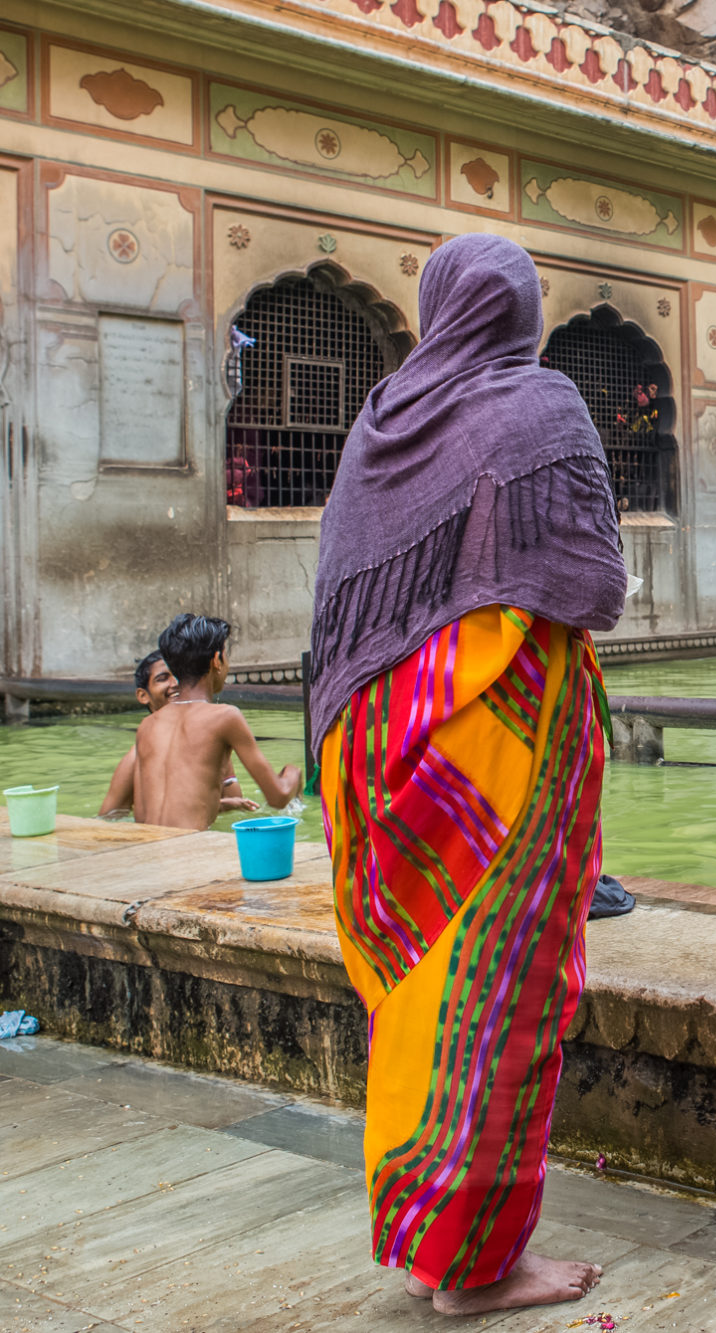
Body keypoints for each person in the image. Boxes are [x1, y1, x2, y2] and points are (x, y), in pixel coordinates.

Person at [308, 233, 627, 1316]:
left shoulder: (383, 416)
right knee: (498, 992)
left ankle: (430, 1229)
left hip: (380, 747)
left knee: (420, 991)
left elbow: (345, 605)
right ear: (523, 310)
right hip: (492, 742)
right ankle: (478, 1267)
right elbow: (587, 581)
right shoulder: (538, 405)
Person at [130, 617, 302, 830]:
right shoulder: (226, 716)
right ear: (216, 661)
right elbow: (278, 797)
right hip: (188, 849)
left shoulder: (147, 725)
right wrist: (293, 773)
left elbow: (141, 815)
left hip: (147, 849)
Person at [100, 649, 256, 818]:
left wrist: (223, 805)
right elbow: (106, 821)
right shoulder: (136, 758)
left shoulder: (212, 741)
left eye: (179, 675)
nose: (175, 683)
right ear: (143, 695)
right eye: (162, 678)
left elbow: (238, 807)